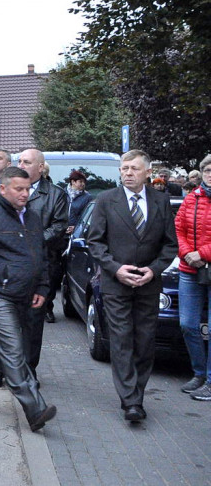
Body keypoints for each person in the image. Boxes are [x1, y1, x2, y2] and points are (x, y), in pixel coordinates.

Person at [86, 149, 179, 422]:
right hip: (117, 285)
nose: (128, 173)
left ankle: (137, 391)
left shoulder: (161, 202)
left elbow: (170, 245)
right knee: (122, 340)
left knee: (145, 342)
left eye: (134, 169)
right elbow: (95, 242)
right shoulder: (105, 200)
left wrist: (153, 270)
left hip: (149, 285)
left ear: (147, 172)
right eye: (124, 168)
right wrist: (116, 269)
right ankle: (131, 401)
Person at [0, 167, 57, 432]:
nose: (25, 194)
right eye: (19, 189)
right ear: (2, 189)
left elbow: (40, 257)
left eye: (27, 189)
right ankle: (35, 408)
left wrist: (42, 287)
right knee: (14, 350)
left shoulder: (34, 218)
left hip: (24, 294)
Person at [18, 149, 68, 351]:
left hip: (41, 265)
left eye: (27, 162)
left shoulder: (56, 194)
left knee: (32, 324)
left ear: (40, 167)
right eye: (19, 161)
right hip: (10, 266)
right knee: (6, 324)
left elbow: (58, 228)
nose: (21, 165)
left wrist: (28, 243)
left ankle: (28, 372)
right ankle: (1, 371)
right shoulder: (8, 190)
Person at [175, 154, 211, 400]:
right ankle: (199, 373)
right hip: (190, 269)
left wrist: (203, 253)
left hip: (205, 262)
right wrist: (188, 254)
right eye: (208, 170)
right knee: (187, 324)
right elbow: (178, 229)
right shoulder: (191, 199)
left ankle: (210, 380)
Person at [65, 170, 93, 235]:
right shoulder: (62, 194)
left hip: (77, 233)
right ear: (73, 182)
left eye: (84, 182)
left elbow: (86, 217)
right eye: (80, 181)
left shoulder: (87, 197)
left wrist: (75, 227)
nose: (83, 184)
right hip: (61, 233)